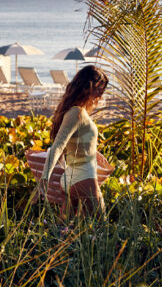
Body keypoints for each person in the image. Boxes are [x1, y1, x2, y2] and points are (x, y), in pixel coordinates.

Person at [39, 65, 109, 217]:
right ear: (88, 87)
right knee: (101, 228)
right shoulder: (76, 112)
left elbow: (75, 141)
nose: (100, 95)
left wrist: (93, 153)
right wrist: (45, 178)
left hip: (71, 179)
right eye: (99, 90)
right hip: (84, 178)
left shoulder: (77, 111)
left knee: (65, 232)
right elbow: (58, 146)